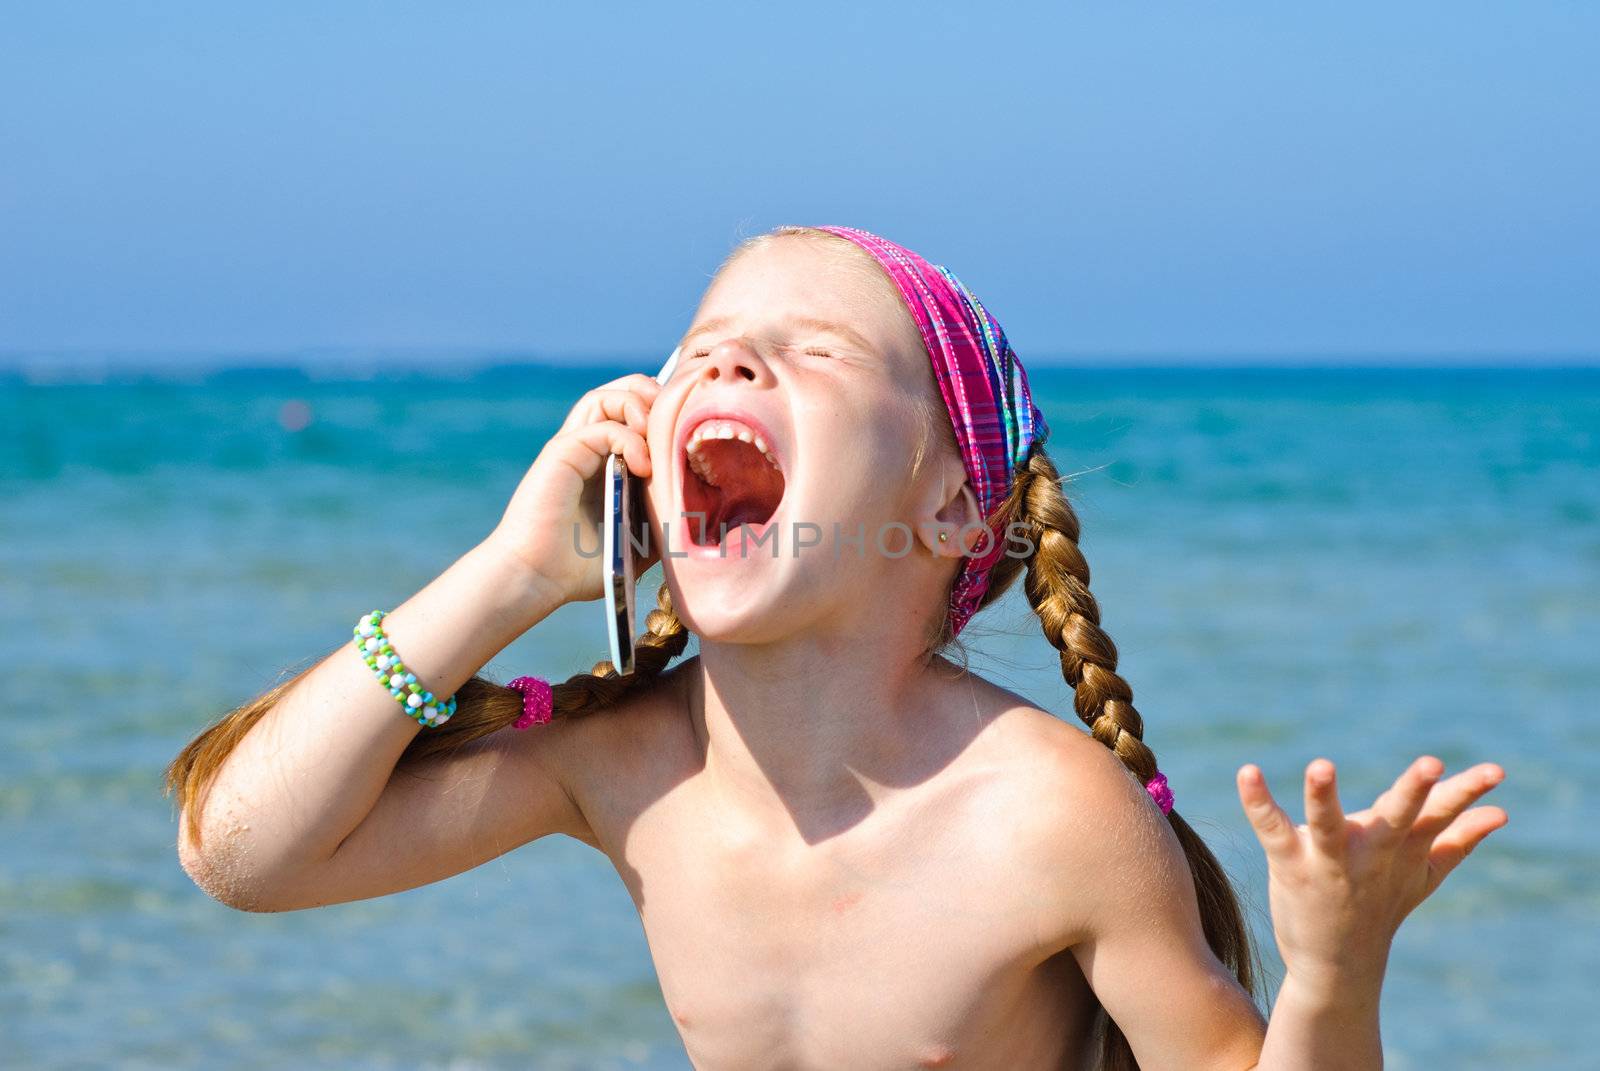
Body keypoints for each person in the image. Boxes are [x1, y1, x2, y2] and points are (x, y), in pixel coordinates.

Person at [165, 224, 1509, 1070]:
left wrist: (1335, 967)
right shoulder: (628, 766)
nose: (730, 370)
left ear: (946, 507)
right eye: (702, 351)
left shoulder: (1047, 818)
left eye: (808, 351)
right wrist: (514, 575)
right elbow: (245, 858)